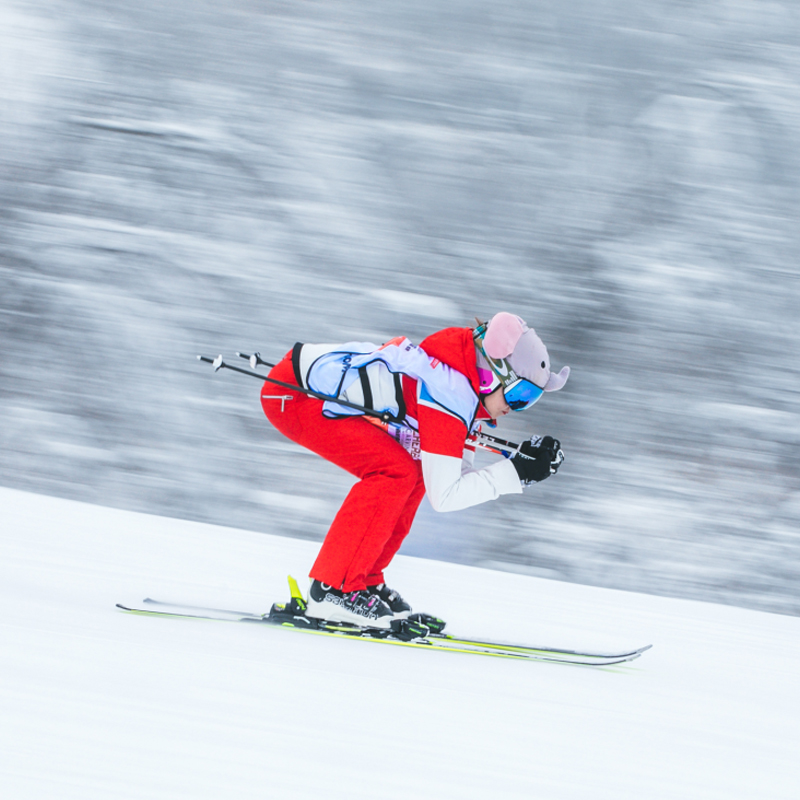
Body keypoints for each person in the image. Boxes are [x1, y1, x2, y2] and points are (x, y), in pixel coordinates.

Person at [260, 312, 569, 629]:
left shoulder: (463, 376)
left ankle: (361, 579)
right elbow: (446, 495)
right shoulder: (449, 392)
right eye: (520, 395)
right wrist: (516, 474)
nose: (515, 407)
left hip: (299, 382)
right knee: (395, 473)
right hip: (294, 394)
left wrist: (519, 464)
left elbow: (450, 471)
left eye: (530, 400)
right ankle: (333, 589)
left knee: (414, 472)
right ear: (491, 373)